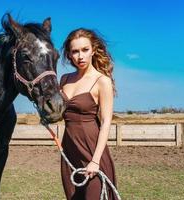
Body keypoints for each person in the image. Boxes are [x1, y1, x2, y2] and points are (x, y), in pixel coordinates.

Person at [60, 28, 117, 199]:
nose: (80, 56)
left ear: (93, 50)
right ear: (69, 55)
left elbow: (106, 121)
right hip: (69, 150)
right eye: (75, 51)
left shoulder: (102, 81)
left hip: (91, 151)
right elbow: (55, 111)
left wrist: (95, 160)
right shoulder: (64, 79)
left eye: (85, 50)